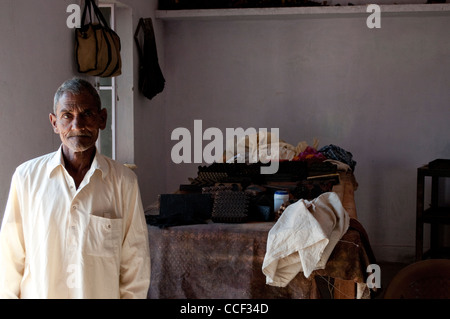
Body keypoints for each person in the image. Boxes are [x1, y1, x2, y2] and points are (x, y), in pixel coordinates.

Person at [0, 78, 150, 298]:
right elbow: (9, 259)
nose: (77, 125)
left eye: (87, 114)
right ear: (54, 123)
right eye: (67, 116)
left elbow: (135, 263)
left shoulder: (123, 182)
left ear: (102, 119)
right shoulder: (26, 178)